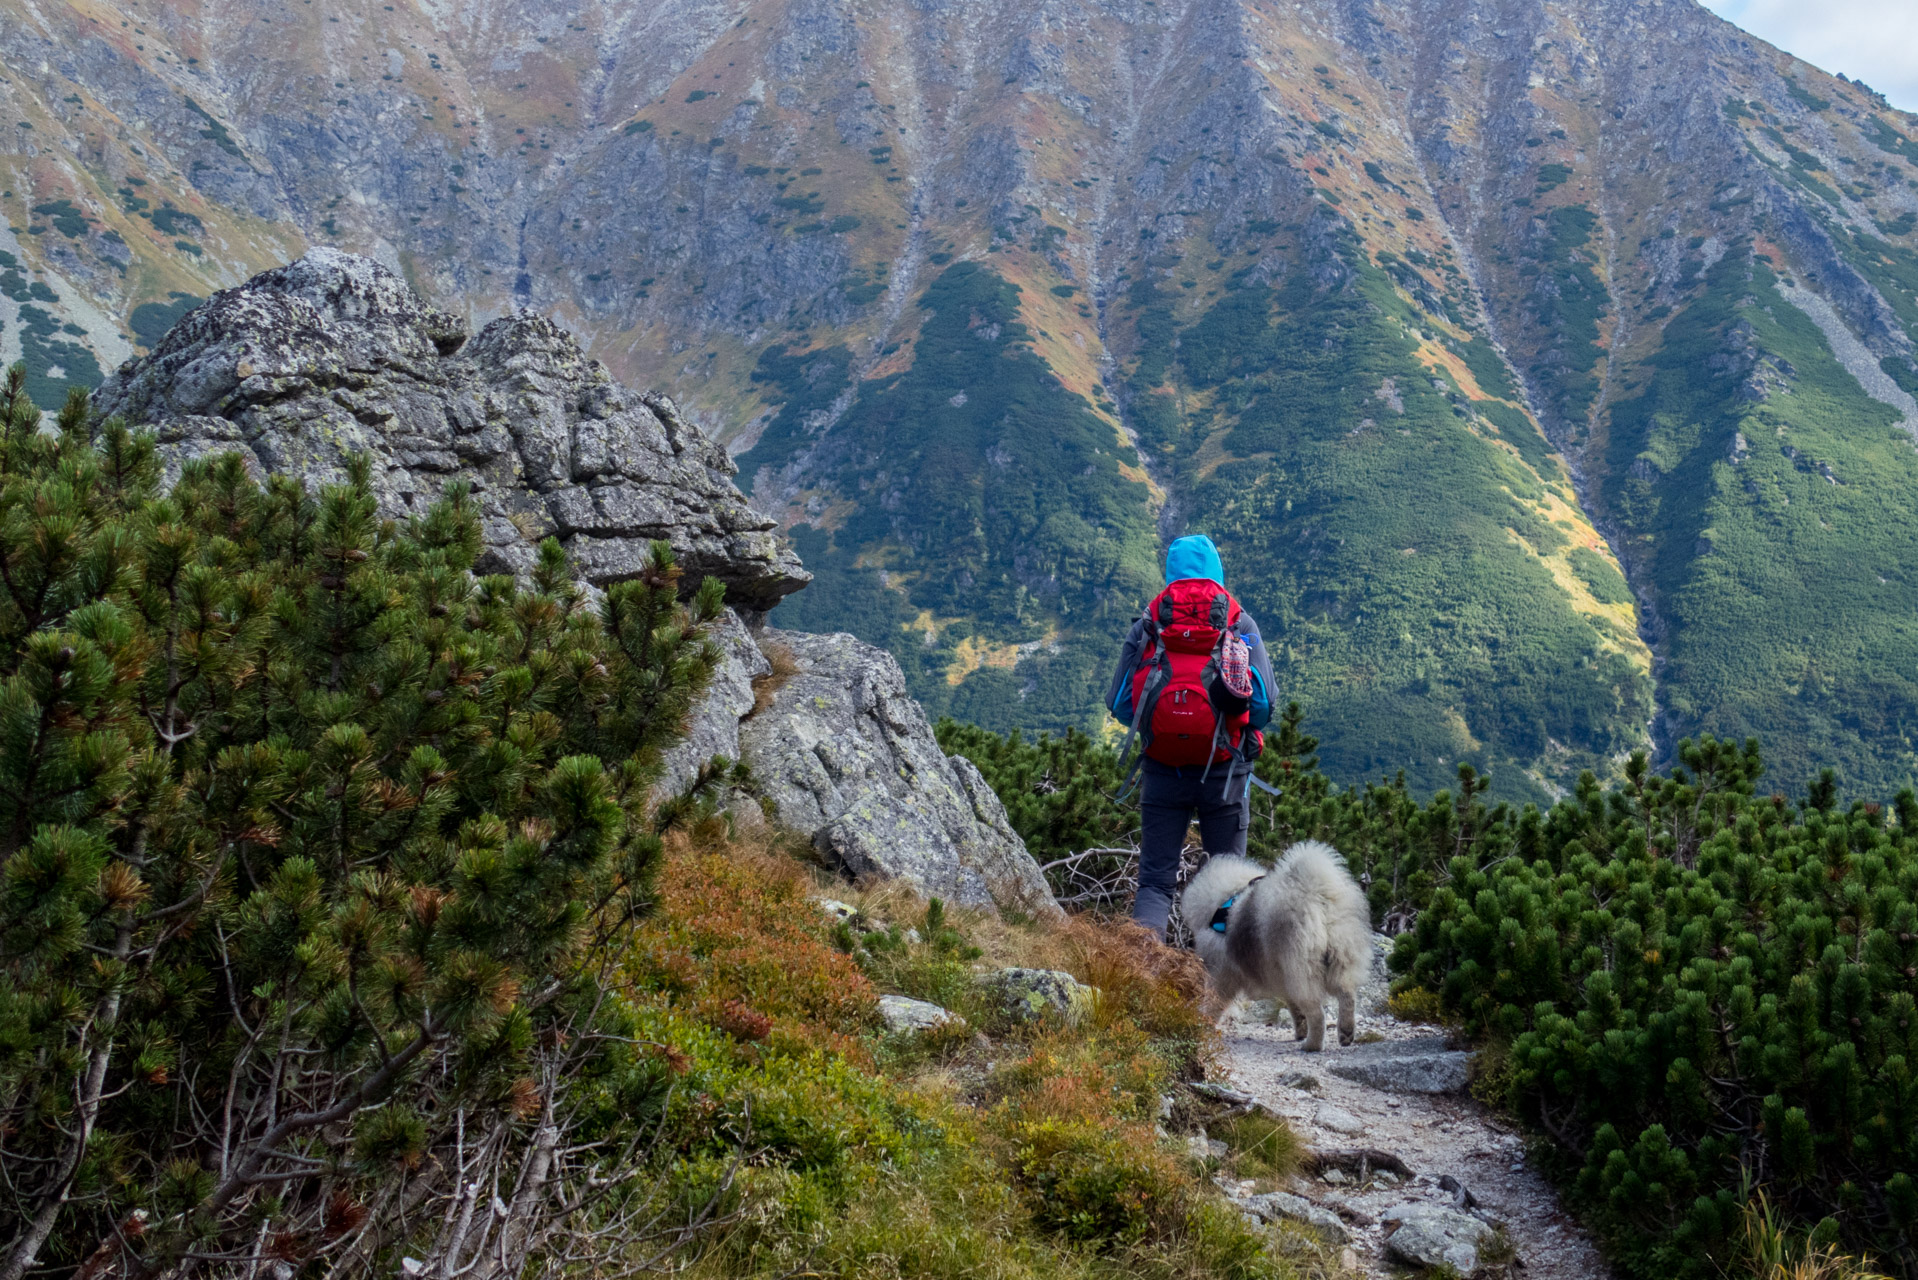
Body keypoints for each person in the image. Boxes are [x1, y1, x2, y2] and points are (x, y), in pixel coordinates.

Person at [1105, 535, 1274, 938]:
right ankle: (1220, 985)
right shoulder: (1239, 624)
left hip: (1164, 771)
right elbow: (1264, 707)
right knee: (1231, 888)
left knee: (1155, 882)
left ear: (1170, 574)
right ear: (1216, 573)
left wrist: (1164, 723)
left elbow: (1119, 703)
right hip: (1225, 774)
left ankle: (1142, 975)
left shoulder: (1150, 624)